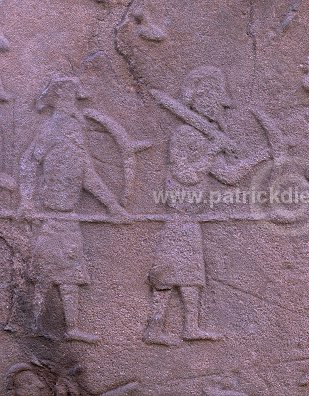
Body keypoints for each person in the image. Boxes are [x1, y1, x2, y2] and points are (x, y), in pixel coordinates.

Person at [144, 67, 265, 345]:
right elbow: (186, 175)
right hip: (178, 215)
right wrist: (213, 149)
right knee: (167, 274)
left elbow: (228, 175)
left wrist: (262, 155)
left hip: (191, 218)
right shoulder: (185, 135)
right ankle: (153, 328)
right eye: (214, 102)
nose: (218, 109)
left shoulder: (204, 137)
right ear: (200, 100)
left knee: (191, 274)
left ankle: (190, 327)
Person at [19, 77, 127, 343]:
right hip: (50, 212)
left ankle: (72, 327)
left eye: (74, 97)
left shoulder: (73, 131)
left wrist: (112, 205)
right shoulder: (53, 127)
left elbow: (86, 175)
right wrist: (26, 202)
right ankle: (33, 324)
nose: (73, 103)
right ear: (56, 99)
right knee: (44, 271)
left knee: (70, 272)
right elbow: (29, 162)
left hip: (69, 215)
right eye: (68, 97)